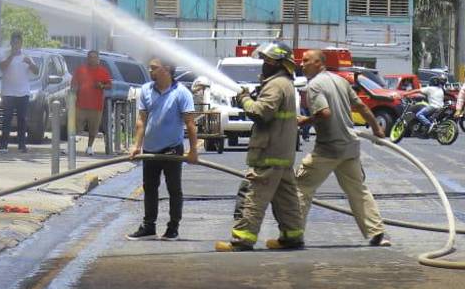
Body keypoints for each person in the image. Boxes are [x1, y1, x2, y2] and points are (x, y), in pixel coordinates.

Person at [294, 49, 391, 247]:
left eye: (306, 61)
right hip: (349, 146)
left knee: (301, 187)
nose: (302, 64)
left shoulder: (314, 86)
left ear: (319, 63)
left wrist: (305, 120)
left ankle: (293, 234)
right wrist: (376, 129)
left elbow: (325, 113)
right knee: (358, 190)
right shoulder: (340, 81)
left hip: (328, 148)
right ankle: (377, 232)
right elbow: (362, 107)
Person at [215, 42, 305, 252]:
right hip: (282, 153)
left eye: (269, 60)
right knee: (286, 199)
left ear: (281, 63)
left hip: (268, 152)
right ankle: (292, 237)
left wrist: (245, 99)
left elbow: (261, 113)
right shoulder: (285, 84)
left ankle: (242, 240)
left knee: (253, 196)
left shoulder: (275, 85)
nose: (265, 64)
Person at [127, 58, 198, 241]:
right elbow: (142, 120)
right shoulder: (146, 90)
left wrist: (193, 151)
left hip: (172, 149)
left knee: (174, 189)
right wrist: (137, 146)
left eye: (154, 68)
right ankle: (149, 226)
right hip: (151, 150)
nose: (150, 71)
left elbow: (190, 124)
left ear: (166, 70)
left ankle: (173, 228)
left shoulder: (182, 93)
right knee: (149, 188)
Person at [0, 31, 39, 152]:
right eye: (14, 42)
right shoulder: (4, 54)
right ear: (11, 43)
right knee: (7, 119)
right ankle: (3, 145)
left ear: (21, 43)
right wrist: (11, 56)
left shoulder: (26, 56)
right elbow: (2, 67)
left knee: (22, 119)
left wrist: (30, 63)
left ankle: (22, 145)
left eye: (18, 43)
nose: (16, 45)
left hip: (23, 93)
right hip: (8, 92)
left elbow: (36, 71)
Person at [72, 50, 113, 156]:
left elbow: (109, 85)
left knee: (93, 128)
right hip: (80, 104)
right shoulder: (80, 70)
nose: (92, 59)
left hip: (96, 106)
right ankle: (71, 147)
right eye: (90, 57)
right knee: (74, 126)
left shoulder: (103, 72)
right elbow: (73, 84)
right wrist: (74, 91)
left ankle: (90, 147)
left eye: (94, 57)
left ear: (98, 59)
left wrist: (102, 86)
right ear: (87, 58)